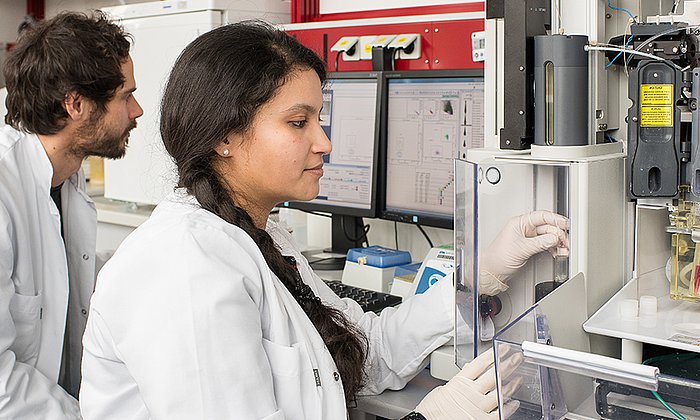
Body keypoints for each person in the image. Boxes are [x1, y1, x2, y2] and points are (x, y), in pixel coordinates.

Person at [79, 21, 567, 419]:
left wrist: (479, 275)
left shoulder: (262, 236)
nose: (324, 142)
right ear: (223, 136)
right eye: (298, 123)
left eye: (320, 118)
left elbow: (364, 352)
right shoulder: (185, 268)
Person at [0, 11, 142, 418]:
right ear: (76, 104)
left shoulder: (67, 176)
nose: (137, 110)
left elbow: (68, 284)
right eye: (124, 96)